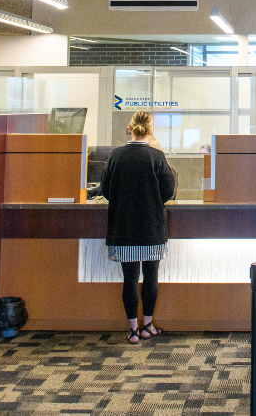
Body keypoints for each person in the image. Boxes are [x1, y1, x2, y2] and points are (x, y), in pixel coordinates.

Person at [99, 111, 177, 344]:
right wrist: (152, 201)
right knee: (151, 275)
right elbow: (168, 190)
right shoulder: (156, 156)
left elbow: (105, 190)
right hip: (151, 226)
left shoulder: (116, 156)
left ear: (129, 127)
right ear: (150, 130)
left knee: (129, 278)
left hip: (123, 226)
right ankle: (147, 326)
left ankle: (133, 330)